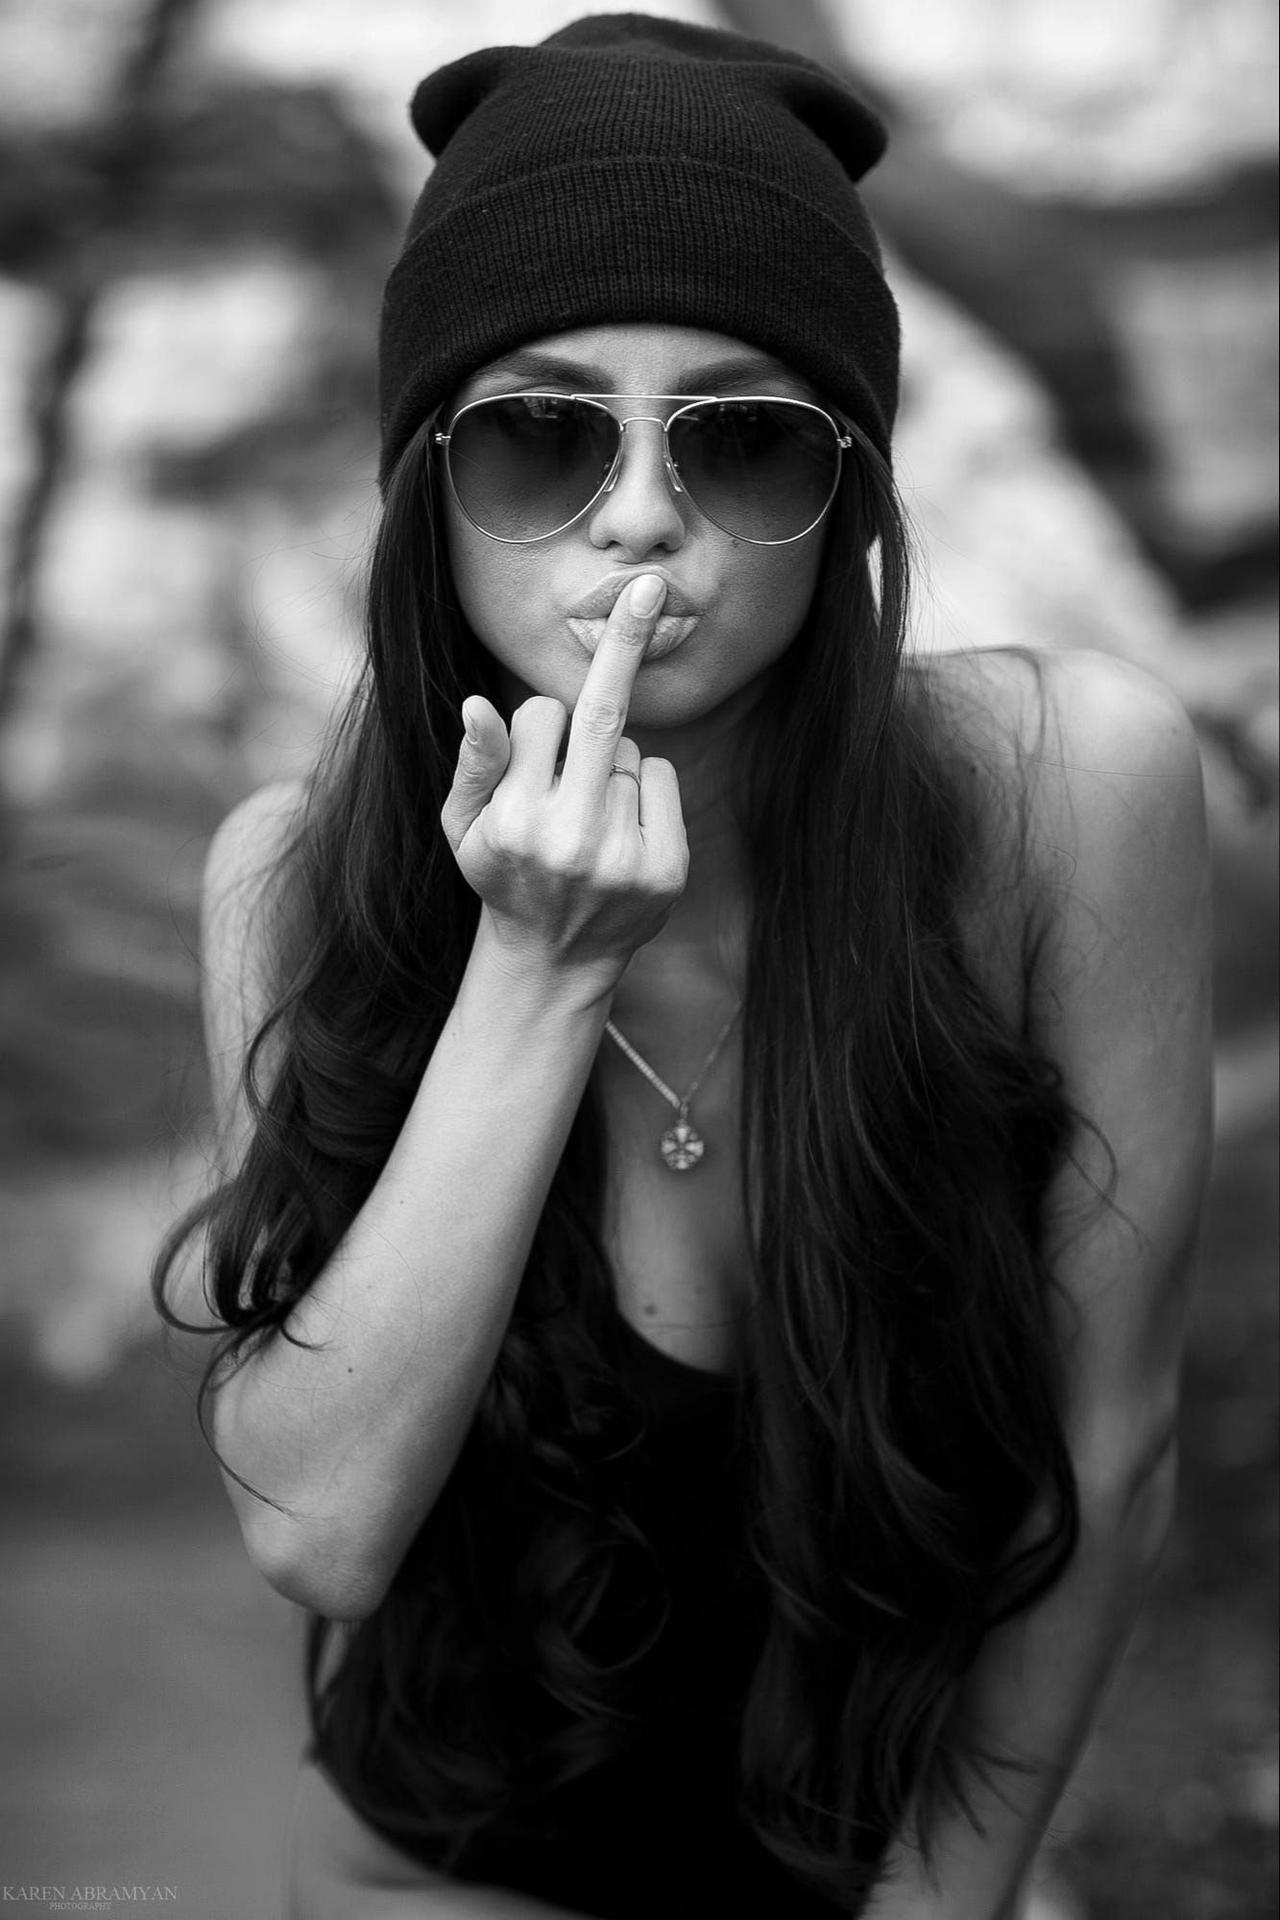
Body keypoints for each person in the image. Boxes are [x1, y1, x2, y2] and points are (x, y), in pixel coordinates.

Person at [154, 15, 1212, 1919]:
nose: (639, 514)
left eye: (740, 437)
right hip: (457, 1873)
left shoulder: (1069, 795)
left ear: (847, 494)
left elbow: (1113, 1441)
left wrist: (946, 1905)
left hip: (919, 1857)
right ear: (427, 489)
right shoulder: (290, 886)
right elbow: (314, 1529)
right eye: (541, 432)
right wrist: (537, 967)